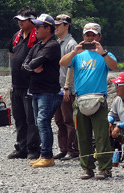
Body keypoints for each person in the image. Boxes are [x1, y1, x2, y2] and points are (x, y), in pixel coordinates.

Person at [60, 22, 118, 180]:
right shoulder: (77, 55)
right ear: (83, 36)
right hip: (80, 100)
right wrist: (74, 52)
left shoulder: (105, 54)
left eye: (93, 34)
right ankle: (87, 168)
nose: (90, 37)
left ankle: (105, 168)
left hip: (99, 99)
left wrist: (103, 53)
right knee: (82, 136)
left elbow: (114, 66)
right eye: (87, 34)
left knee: (101, 136)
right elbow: (62, 63)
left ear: (99, 36)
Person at [22, 14, 61, 168]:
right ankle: (44, 154)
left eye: (38, 27)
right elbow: (25, 65)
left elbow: (33, 63)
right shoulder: (37, 45)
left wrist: (31, 67)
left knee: (43, 122)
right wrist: (32, 69)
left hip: (48, 91)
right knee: (39, 123)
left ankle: (47, 156)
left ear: (48, 28)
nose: (35, 29)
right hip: (36, 90)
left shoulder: (52, 45)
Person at [7, 7, 40, 160]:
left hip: (30, 84)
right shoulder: (17, 36)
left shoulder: (38, 37)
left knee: (31, 119)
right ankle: (21, 146)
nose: (19, 22)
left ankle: (33, 147)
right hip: (16, 83)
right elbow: (12, 53)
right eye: (18, 19)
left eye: (23, 19)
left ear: (32, 20)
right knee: (19, 117)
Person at [53, 14, 78, 161]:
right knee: (59, 120)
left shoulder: (71, 44)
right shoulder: (58, 42)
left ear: (67, 25)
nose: (55, 26)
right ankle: (63, 148)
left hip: (66, 88)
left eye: (59, 24)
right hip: (57, 87)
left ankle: (72, 149)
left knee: (69, 119)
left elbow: (71, 68)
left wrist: (67, 87)